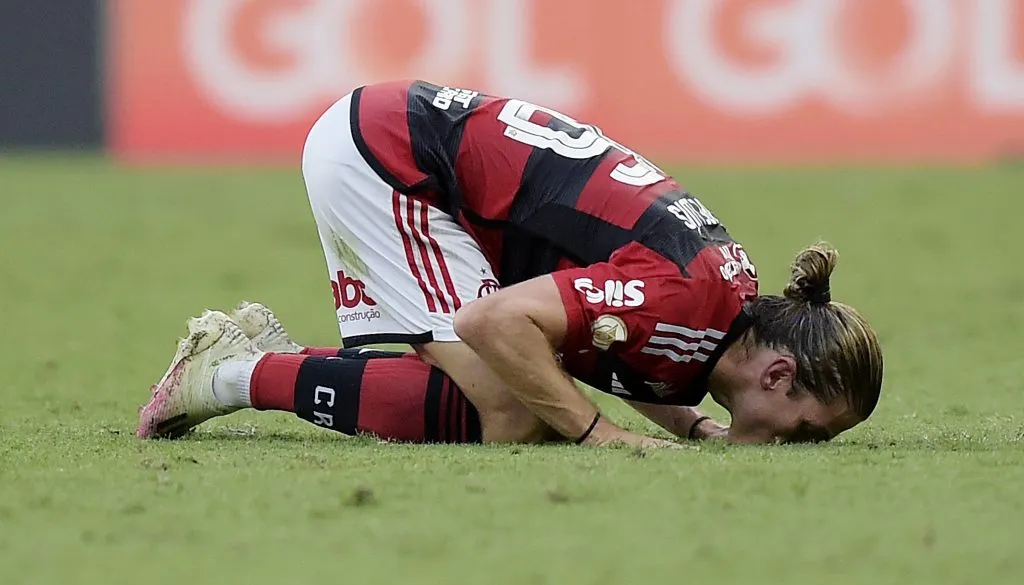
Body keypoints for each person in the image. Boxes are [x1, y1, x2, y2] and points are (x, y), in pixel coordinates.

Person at [137, 81, 883, 446]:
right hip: (397, 158)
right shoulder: (688, 300)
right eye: (808, 431)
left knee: (511, 389)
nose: (797, 448)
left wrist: (686, 427)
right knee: (516, 408)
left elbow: (619, 346)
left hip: (409, 147)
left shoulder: (719, 305)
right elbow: (495, 319)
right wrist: (600, 435)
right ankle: (230, 372)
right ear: (779, 376)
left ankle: (247, 366)